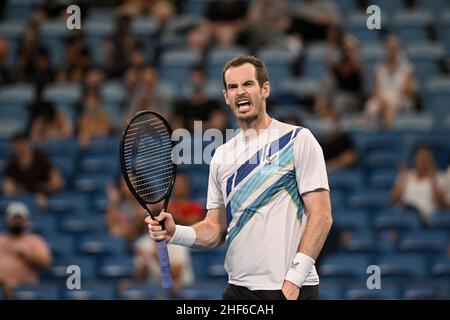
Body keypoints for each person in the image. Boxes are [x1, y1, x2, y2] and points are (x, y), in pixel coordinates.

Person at [146, 56, 332, 300]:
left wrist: (294, 279)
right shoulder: (222, 156)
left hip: (289, 289)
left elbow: (321, 216)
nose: (240, 92)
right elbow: (215, 228)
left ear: (265, 89)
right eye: (232, 87)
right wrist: (175, 233)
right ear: (226, 96)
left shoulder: (298, 140)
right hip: (238, 290)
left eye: (248, 84)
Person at [0, 202, 52, 299]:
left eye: (20, 218)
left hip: (27, 288)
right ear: (7, 220)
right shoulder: (0, 240)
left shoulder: (35, 240)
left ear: (26, 221)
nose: (17, 221)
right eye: (14, 218)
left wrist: (26, 255)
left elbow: (46, 262)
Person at [3, 132, 64, 210]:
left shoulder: (42, 161)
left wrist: (43, 192)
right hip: (22, 202)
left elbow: (57, 183)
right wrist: (29, 196)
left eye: (22, 144)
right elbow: (8, 190)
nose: (19, 148)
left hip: (45, 199)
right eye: (16, 146)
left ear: (27, 144)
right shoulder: (11, 166)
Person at [391, 146, 448, 226]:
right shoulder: (406, 175)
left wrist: (433, 182)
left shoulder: (439, 177)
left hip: (425, 217)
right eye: (420, 157)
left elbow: (441, 205)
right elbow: (393, 201)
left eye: (427, 157)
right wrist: (402, 181)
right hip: (404, 213)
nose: (423, 160)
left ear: (432, 160)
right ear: (414, 160)